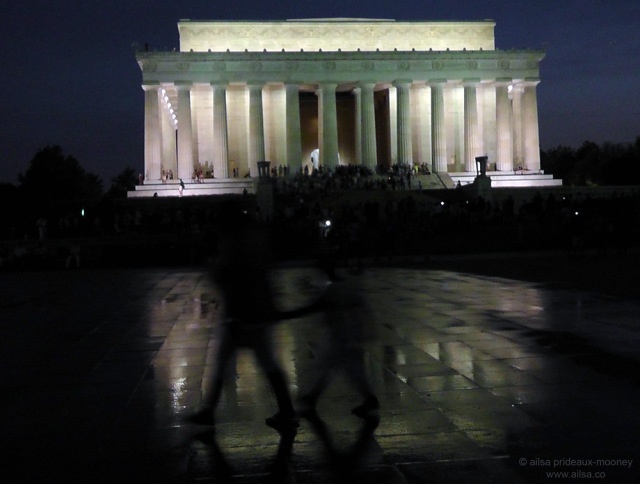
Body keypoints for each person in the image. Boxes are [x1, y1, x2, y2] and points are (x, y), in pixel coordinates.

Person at [187, 202, 299, 432]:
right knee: (251, 363)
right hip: (252, 312)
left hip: (243, 315)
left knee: (243, 363)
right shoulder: (252, 238)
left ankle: (287, 411)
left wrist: (210, 268)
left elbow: (230, 276)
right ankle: (209, 412)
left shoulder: (235, 242)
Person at [297, 261, 379, 420]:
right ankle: (369, 400)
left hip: (341, 337)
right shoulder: (348, 286)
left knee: (328, 367)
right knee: (350, 370)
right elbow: (364, 308)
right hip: (350, 335)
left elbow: (313, 307)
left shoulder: (331, 290)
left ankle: (312, 398)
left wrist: (285, 314)